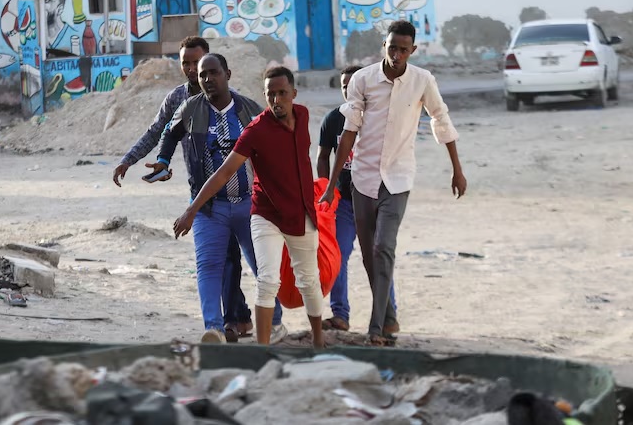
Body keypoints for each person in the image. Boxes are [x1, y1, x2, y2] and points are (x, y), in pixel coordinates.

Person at [320, 20, 467, 346]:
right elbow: (348, 133)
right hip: (362, 178)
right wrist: (331, 185)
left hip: (398, 178)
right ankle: (389, 319)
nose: (397, 54)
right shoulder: (363, 79)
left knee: (384, 247)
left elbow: (440, 119)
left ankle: (376, 327)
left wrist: (457, 168)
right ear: (384, 46)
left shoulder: (422, 81)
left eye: (403, 49)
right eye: (392, 48)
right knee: (370, 255)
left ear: (412, 50)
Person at [113, 37, 258, 341]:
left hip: (239, 193)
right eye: (187, 64)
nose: (194, 71)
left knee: (235, 257)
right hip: (203, 191)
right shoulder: (180, 100)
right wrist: (136, 160)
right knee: (214, 259)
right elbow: (159, 132)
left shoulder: (238, 104)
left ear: (215, 64)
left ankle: (237, 317)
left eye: (200, 64)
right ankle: (227, 322)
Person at [174, 66, 325, 349]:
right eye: (271, 94)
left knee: (309, 281)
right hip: (265, 214)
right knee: (267, 279)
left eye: (282, 93)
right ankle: (262, 347)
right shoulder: (255, 130)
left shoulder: (303, 116)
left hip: (300, 213)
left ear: (294, 94)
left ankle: (319, 341)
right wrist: (192, 210)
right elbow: (222, 173)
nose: (277, 100)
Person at [152, 54, 285, 344]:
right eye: (202, 75)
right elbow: (169, 134)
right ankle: (212, 328)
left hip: (251, 205)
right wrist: (163, 160)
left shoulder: (250, 110)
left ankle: (275, 323)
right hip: (209, 208)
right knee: (208, 266)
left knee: (263, 266)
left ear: (228, 73)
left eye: (213, 73)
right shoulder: (190, 108)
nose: (207, 79)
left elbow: (276, 149)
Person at [317, 65, 396, 332]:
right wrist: (327, 189)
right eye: (343, 85)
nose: (348, 89)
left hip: (374, 201)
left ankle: (387, 316)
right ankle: (340, 315)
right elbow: (322, 157)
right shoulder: (332, 119)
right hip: (345, 204)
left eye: (353, 84)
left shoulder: (379, 118)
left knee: (378, 256)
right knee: (337, 256)